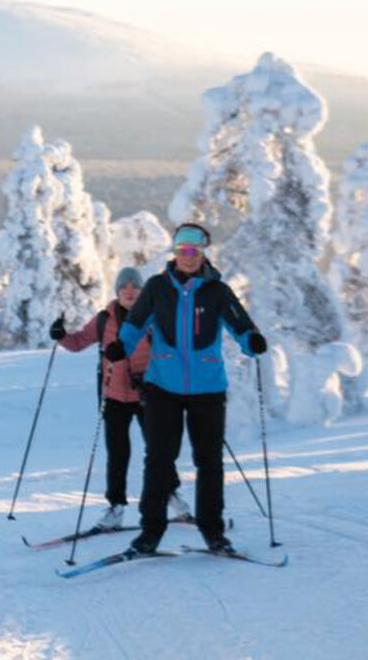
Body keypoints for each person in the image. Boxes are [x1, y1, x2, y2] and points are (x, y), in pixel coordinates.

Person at [104, 223, 267, 554]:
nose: (188, 257)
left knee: (209, 462)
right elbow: (135, 323)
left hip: (208, 389)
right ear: (175, 253)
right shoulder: (157, 287)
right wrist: (123, 346)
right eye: (182, 251)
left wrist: (252, 341)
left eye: (193, 251)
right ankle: (150, 533)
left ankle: (213, 532)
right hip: (163, 387)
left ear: (202, 252)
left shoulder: (218, 291)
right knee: (159, 460)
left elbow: (241, 325)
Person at [50, 266, 189, 530]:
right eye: (124, 288)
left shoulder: (153, 317)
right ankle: (116, 507)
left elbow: (171, 349)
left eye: (135, 288)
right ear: (117, 291)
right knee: (117, 454)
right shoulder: (105, 319)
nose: (130, 292)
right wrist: (62, 336)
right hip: (113, 397)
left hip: (150, 394)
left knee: (159, 450)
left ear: (142, 291)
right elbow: (79, 342)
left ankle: (172, 496)